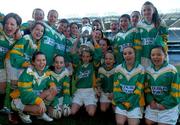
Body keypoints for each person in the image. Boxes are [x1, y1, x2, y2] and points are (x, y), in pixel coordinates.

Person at [11, 51, 57, 123]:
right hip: (21, 99)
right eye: (38, 60)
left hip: (34, 96)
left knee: (53, 90)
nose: (42, 63)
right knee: (40, 109)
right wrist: (39, 101)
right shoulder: (28, 73)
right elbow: (26, 94)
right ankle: (23, 111)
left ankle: (39, 113)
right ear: (33, 62)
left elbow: (48, 80)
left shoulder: (46, 70)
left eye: (43, 60)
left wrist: (52, 85)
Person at [144, 46, 179, 125]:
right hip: (155, 103)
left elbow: (175, 91)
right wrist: (151, 101)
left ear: (165, 56)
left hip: (168, 104)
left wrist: (165, 104)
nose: (155, 57)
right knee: (148, 122)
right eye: (153, 55)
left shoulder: (171, 70)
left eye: (159, 54)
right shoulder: (148, 70)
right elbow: (147, 89)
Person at [113, 46, 145, 125]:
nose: (127, 55)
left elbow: (139, 89)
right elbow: (116, 88)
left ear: (135, 54)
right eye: (125, 54)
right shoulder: (118, 68)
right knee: (120, 122)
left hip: (135, 102)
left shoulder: (141, 69)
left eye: (130, 53)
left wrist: (130, 102)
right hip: (121, 101)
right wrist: (122, 101)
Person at [0, 12, 22, 124]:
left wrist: (20, 33)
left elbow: (29, 25)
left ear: (17, 26)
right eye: (6, 23)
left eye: (12, 24)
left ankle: (8, 107)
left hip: (5, 68)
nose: (9, 26)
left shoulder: (18, 39)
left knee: (3, 89)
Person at [70, 40, 102, 116]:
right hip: (79, 91)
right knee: (72, 112)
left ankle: (88, 105)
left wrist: (94, 39)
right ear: (81, 57)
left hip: (90, 91)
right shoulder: (78, 65)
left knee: (91, 113)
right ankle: (81, 105)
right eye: (83, 56)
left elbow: (98, 53)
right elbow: (73, 52)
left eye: (88, 56)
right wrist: (77, 39)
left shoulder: (93, 65)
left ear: (91, 57)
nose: (85, 58)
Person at [137, 1, 168, 68]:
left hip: (157, 55)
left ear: (153, 10)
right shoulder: (139, 24)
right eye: (144, 10)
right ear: (142, 12)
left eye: (149, 9)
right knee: (146, 76)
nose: (146, 12)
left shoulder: (160, 22)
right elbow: (137, 41)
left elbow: (165, 38)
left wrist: (161, 46)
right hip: (144, 55)